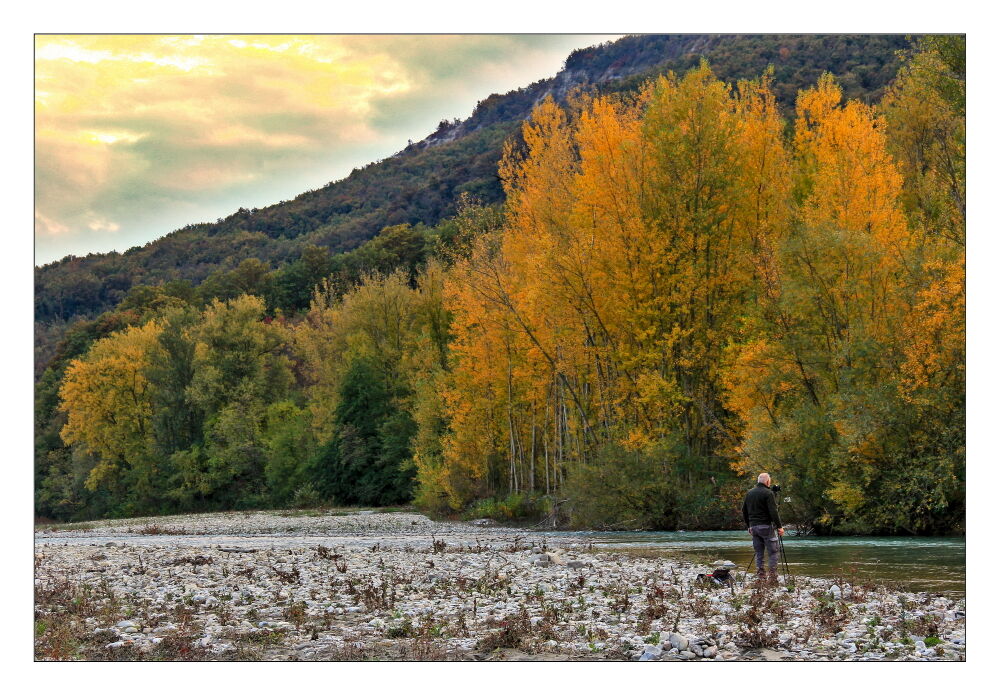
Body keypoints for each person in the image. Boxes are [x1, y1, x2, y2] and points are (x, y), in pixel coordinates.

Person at [741, 472, 784, 584]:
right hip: (766, 526)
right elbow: (773, 511)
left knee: (759, 553)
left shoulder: (749, 493)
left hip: (754, 527)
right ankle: (773, 577)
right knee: (773, 552)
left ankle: (761, 576)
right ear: (767, 482)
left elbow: (744, 511)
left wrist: (749, 526)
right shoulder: (768, 493)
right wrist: (779, 526)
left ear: (758, 481)